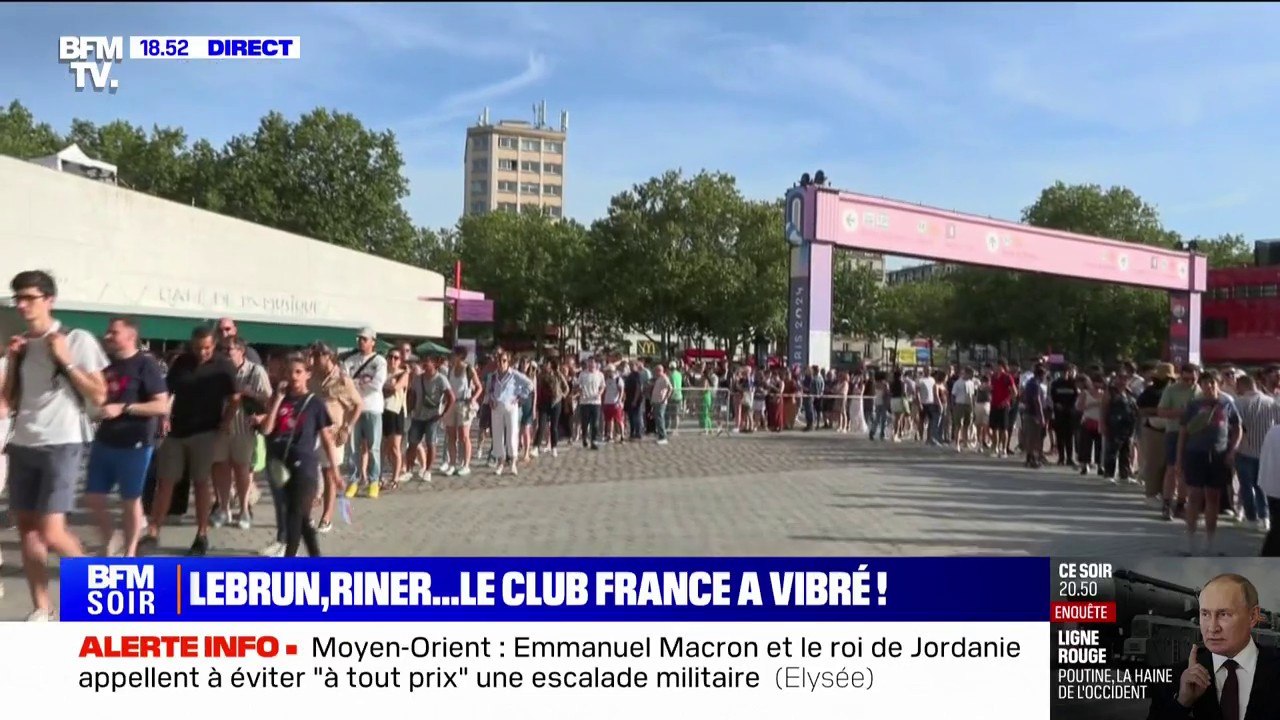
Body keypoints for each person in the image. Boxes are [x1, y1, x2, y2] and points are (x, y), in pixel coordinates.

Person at [2, 270, 108, 620]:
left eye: (29, 297)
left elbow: (99, 393)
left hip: (63, 442)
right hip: (23, 443)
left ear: (49, 300)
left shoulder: (76, 339)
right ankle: (42, 608)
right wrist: (14, 360)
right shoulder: (21, 344)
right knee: (29, 533)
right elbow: (9, 400)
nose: (22, 305)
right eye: (18, 298)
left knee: (51, 531)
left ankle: (101, 588)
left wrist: (66, 360)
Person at [140, 325, 236, 556]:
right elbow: (168, 392)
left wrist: (225, 423)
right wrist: (164, 416)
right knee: (165, 481)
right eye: (197, 348)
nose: (201, 352)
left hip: (205, 431)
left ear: (214, 345)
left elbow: (235, 398)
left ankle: (201, 534)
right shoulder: (182, 362)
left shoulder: (223, 366)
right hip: (176, 430)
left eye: (206, 348)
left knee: (201, 483)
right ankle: (154, 530)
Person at [85, 318, 169, 558]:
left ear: (131, 336)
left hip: (135, 443)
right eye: (108, 331)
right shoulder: (104, 363)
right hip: (104, 439)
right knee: (93, 496)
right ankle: (112, 536)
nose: (108, 336)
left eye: (114, 332)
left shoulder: (145, 364)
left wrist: (125, 407)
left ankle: (130, 553)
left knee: (130, 500)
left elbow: (161, 405)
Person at [1147, 574, 1280, 720]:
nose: (1212, 628)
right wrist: (1182, 703)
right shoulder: (1174, 680)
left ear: (1253, 616)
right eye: (1205, 614)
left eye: (1224, 614)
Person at [261, 353, 338, 557]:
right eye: (290, 372)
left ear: (307, 375)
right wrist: (277, 399)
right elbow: (267, 430)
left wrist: (336, 472)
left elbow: (327, 440)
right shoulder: (281, 400)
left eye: (298, 372)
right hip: (281, 465)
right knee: (301, 518)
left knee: (294, 515)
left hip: (304, 466)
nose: (294, 376)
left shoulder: (315, 403)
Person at [1175, 370, 1241, 557]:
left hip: (1219, 456)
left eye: (1213, 383)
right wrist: (1179, 459)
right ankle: (1190, 540)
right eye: (1206, 383)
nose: (1209, 387)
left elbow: (1237, 429)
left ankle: (1210, 542)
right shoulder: (1193, 405)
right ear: (1201, 386)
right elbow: (1183, 433)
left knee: (1213, 498)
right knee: (1194, 496)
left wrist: (1232, 450)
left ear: (1218, 384)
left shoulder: (1227, 403)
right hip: (1195, 454)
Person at [343, 328, 388, 498]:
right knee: (353, 448)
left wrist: (355, 383)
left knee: (373, 446)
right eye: (359, 339)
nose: (361, 342)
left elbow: (377, 384)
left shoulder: (380, 361)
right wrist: (360, 382)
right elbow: (344, 381)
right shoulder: (350, 360)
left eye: (364, 339)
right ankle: (353, 481)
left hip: (372, 407)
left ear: (372, 342)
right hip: (354, 408)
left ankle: (374, 481)